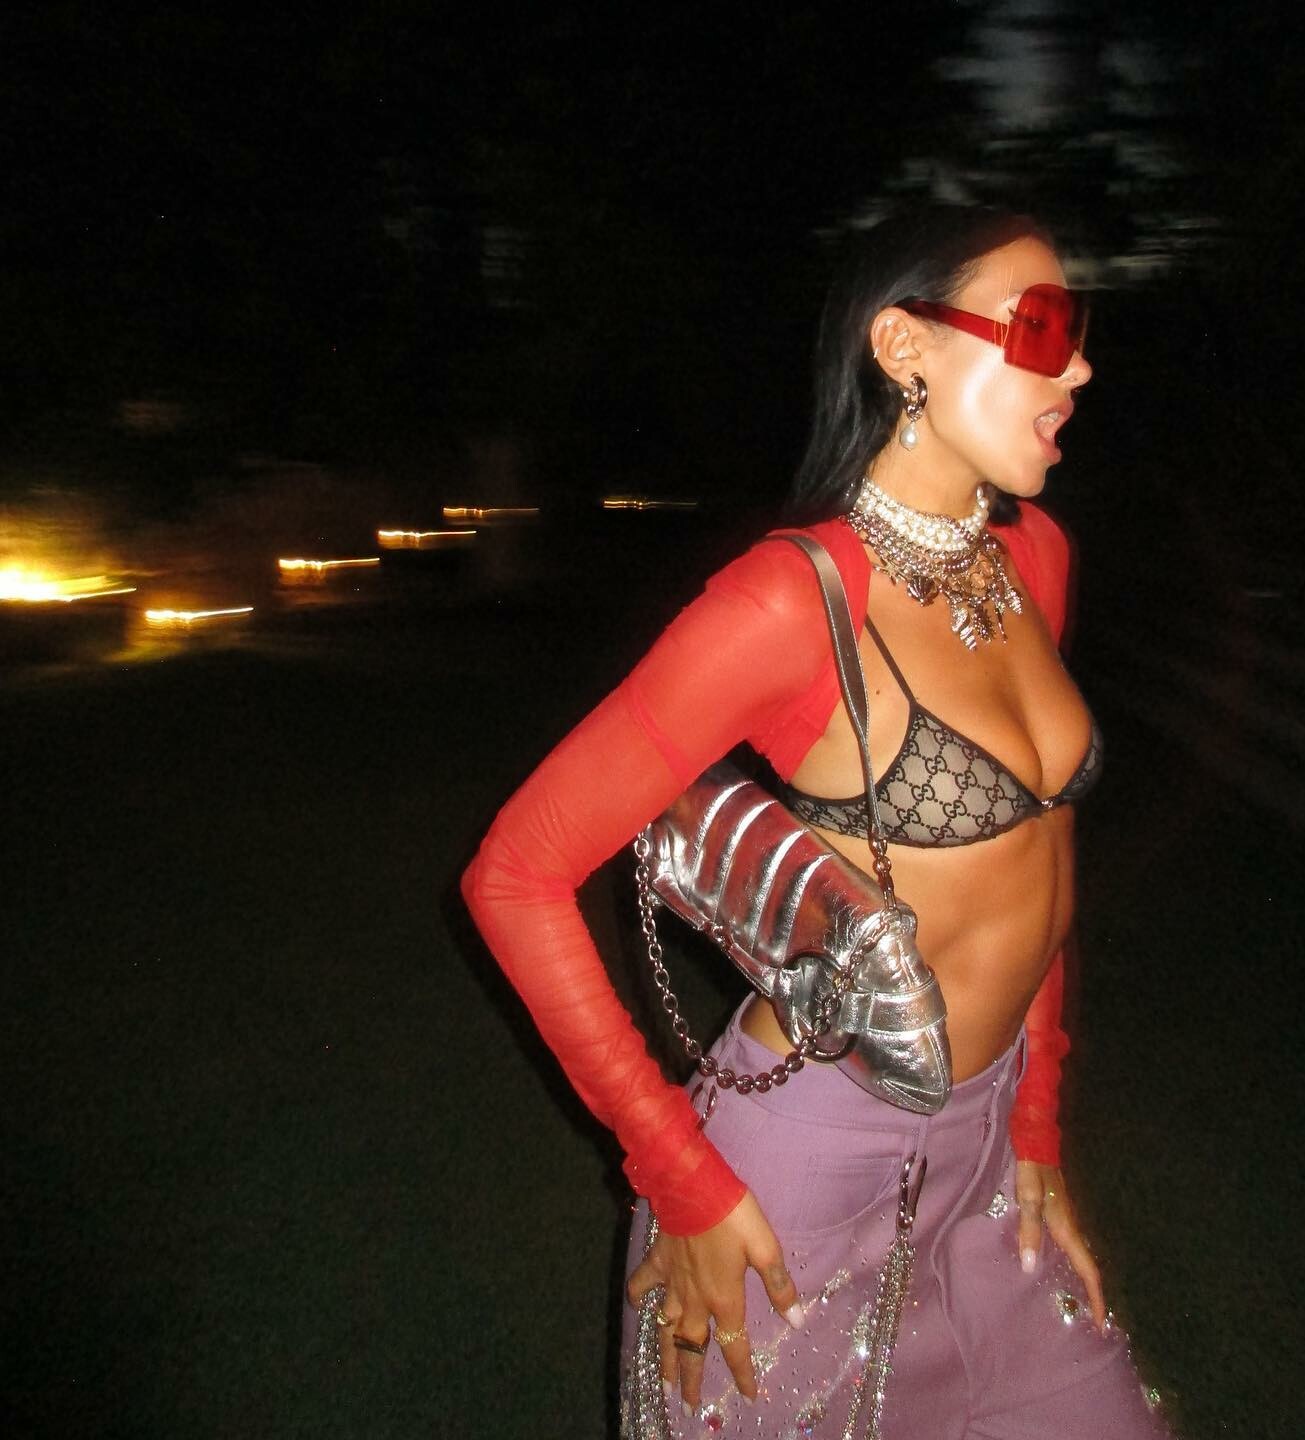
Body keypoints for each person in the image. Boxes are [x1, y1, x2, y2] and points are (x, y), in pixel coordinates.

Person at [463, 206, 1171, 1437]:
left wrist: (1036, 1121)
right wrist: (679, 1173)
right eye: (1043, 329)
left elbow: (1043, 861)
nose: (1080, 369)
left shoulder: (1037, 559)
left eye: (1082, 330)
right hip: (803, 1176)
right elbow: (516, 873)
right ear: (904, 346)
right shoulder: (790, 604)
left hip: (990, 1155)